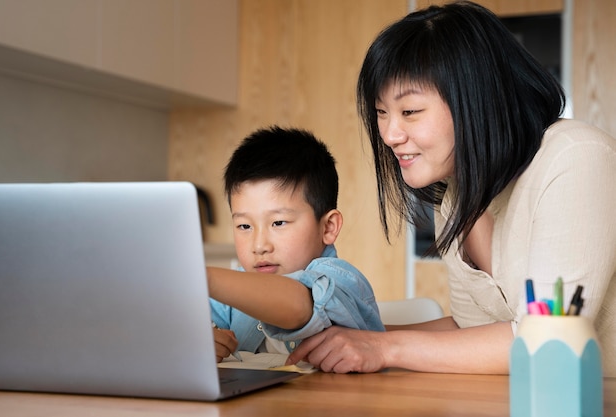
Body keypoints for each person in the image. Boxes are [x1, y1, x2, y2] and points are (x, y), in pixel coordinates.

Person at [286, 1, 616, 376]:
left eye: (409, 111)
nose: (390, 135)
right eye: (381, 112)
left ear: (477, 99)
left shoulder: (574, 157)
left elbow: (548, 341)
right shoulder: (456, 197)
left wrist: (384, 346)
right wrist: (353, 338)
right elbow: (475, 332)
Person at [208, 126, 385, 362]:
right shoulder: (228, 294)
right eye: (244, 226)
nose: (259, 245)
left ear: (328, 227)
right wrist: (200, 342)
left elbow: (300, 304)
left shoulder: (343, 281)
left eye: (278, 222)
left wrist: (203, 278)